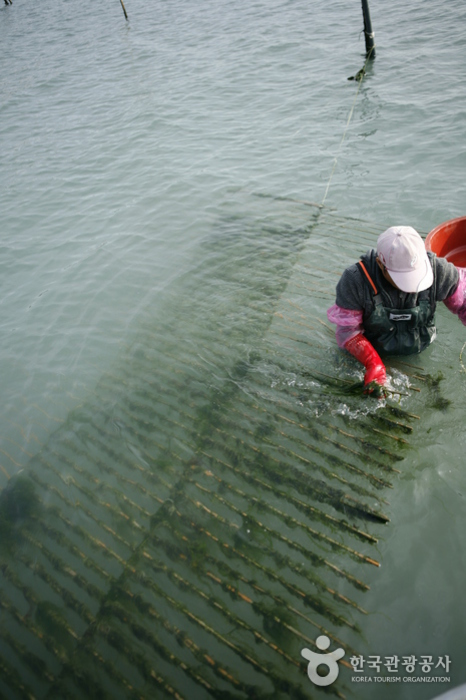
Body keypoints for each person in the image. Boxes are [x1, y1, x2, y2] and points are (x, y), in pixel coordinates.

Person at [327, 226, 466, 394]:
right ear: (380, 263)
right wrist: (373, 363)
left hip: (420, 351)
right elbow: (347, 332)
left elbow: (463, 302)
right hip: (372, 354)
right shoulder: (355, 281)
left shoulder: (440, 271)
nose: (412, 288)